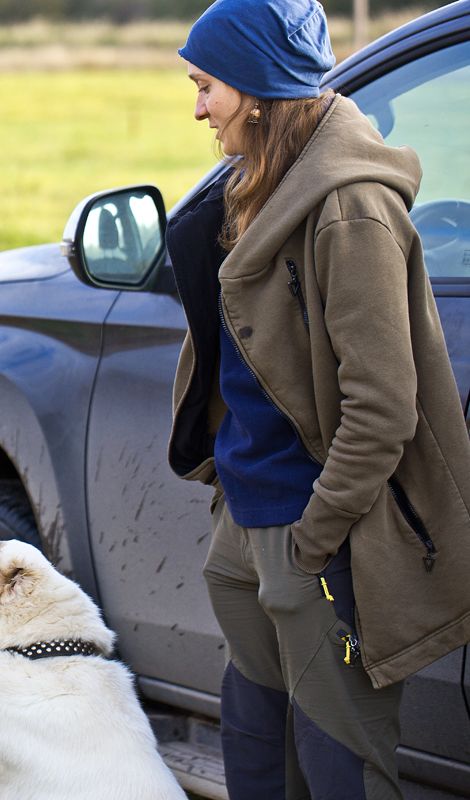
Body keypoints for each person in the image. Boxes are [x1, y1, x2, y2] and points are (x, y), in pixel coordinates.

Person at [165, 1, 470, 797]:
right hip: (246, 524)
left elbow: (381, 408)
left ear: (259, 90)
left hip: (317, 539)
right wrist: (233, 510)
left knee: (342, 773)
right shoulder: (249, 190)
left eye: (208, 87)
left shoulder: (350, 210)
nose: (198, 107)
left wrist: (314, 538)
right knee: (259, 760)